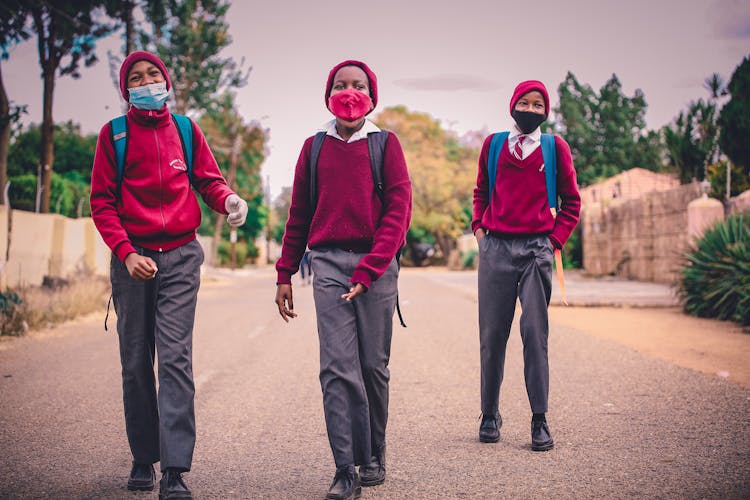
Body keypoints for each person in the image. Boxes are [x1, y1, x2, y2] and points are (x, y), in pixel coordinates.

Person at [90, 50, 248, 498]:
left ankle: (175, 469)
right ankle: (144, 456)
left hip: (180, 256)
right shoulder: (114, 135)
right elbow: (101, 202)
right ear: (126, 90)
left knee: (175, 359)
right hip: (133, 262)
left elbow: (208, 180)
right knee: (136, 361)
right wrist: (124, 253)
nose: (145, 82)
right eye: (135, 78)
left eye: (152, 74)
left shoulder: (184, 129)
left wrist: (229, 200)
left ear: (166, 81)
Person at [274, 60, 411, 500]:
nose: (349, 92)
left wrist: (371, 270)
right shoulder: (314, 148)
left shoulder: (385, 145)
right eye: (340, 85)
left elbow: (398, 212)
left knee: (372, 366)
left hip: (377, 266)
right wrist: (285, 273)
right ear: (327, 94)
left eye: (358, 86)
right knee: (337, 368)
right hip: (329, 265)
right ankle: (345, 467)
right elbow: (299, 215)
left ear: (372, 95)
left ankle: (374, 450)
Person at [472, 80, 581, 452]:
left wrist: (552, 242)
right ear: (512, 105)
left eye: (538, 105)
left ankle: (539, 419)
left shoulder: (554, 148)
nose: (531, 110)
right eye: (525, 102)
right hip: (496, 248)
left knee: (535, 335)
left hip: (536, 249)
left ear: (545, 112)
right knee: (491, 336)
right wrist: (480, 230)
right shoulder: (494, 145)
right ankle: (489, 413)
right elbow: (481, 192)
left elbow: (572, 203)